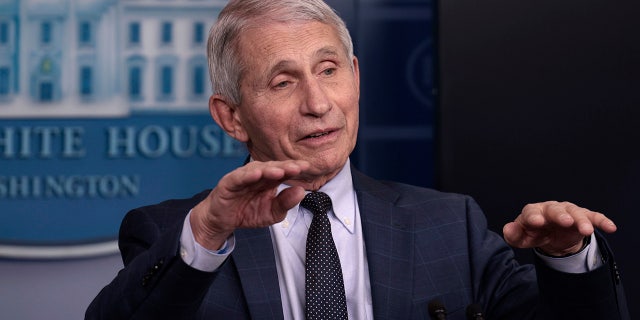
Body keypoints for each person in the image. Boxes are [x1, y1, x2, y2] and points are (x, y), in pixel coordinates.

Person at [86, 0, 629, 319]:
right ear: (231, 116)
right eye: (283, 81)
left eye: (329, 70)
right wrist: (204, 236)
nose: (318, 103)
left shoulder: (450, 224)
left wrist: (568, 259)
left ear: (357, 77)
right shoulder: (174, 234)